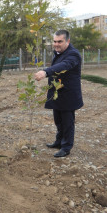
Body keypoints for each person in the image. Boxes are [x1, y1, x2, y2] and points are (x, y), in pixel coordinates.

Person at [34, 29, 83, 158]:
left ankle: (66, 147)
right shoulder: (58, 52)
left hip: (68, 95)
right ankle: (59, 141)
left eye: (60, 41)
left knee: (67, 122)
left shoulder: (73, 55)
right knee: (58, 121)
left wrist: (45, 72)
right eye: (54, 41)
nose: (56, 44)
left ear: (68, 41)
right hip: (57, 93)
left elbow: (64, 65)